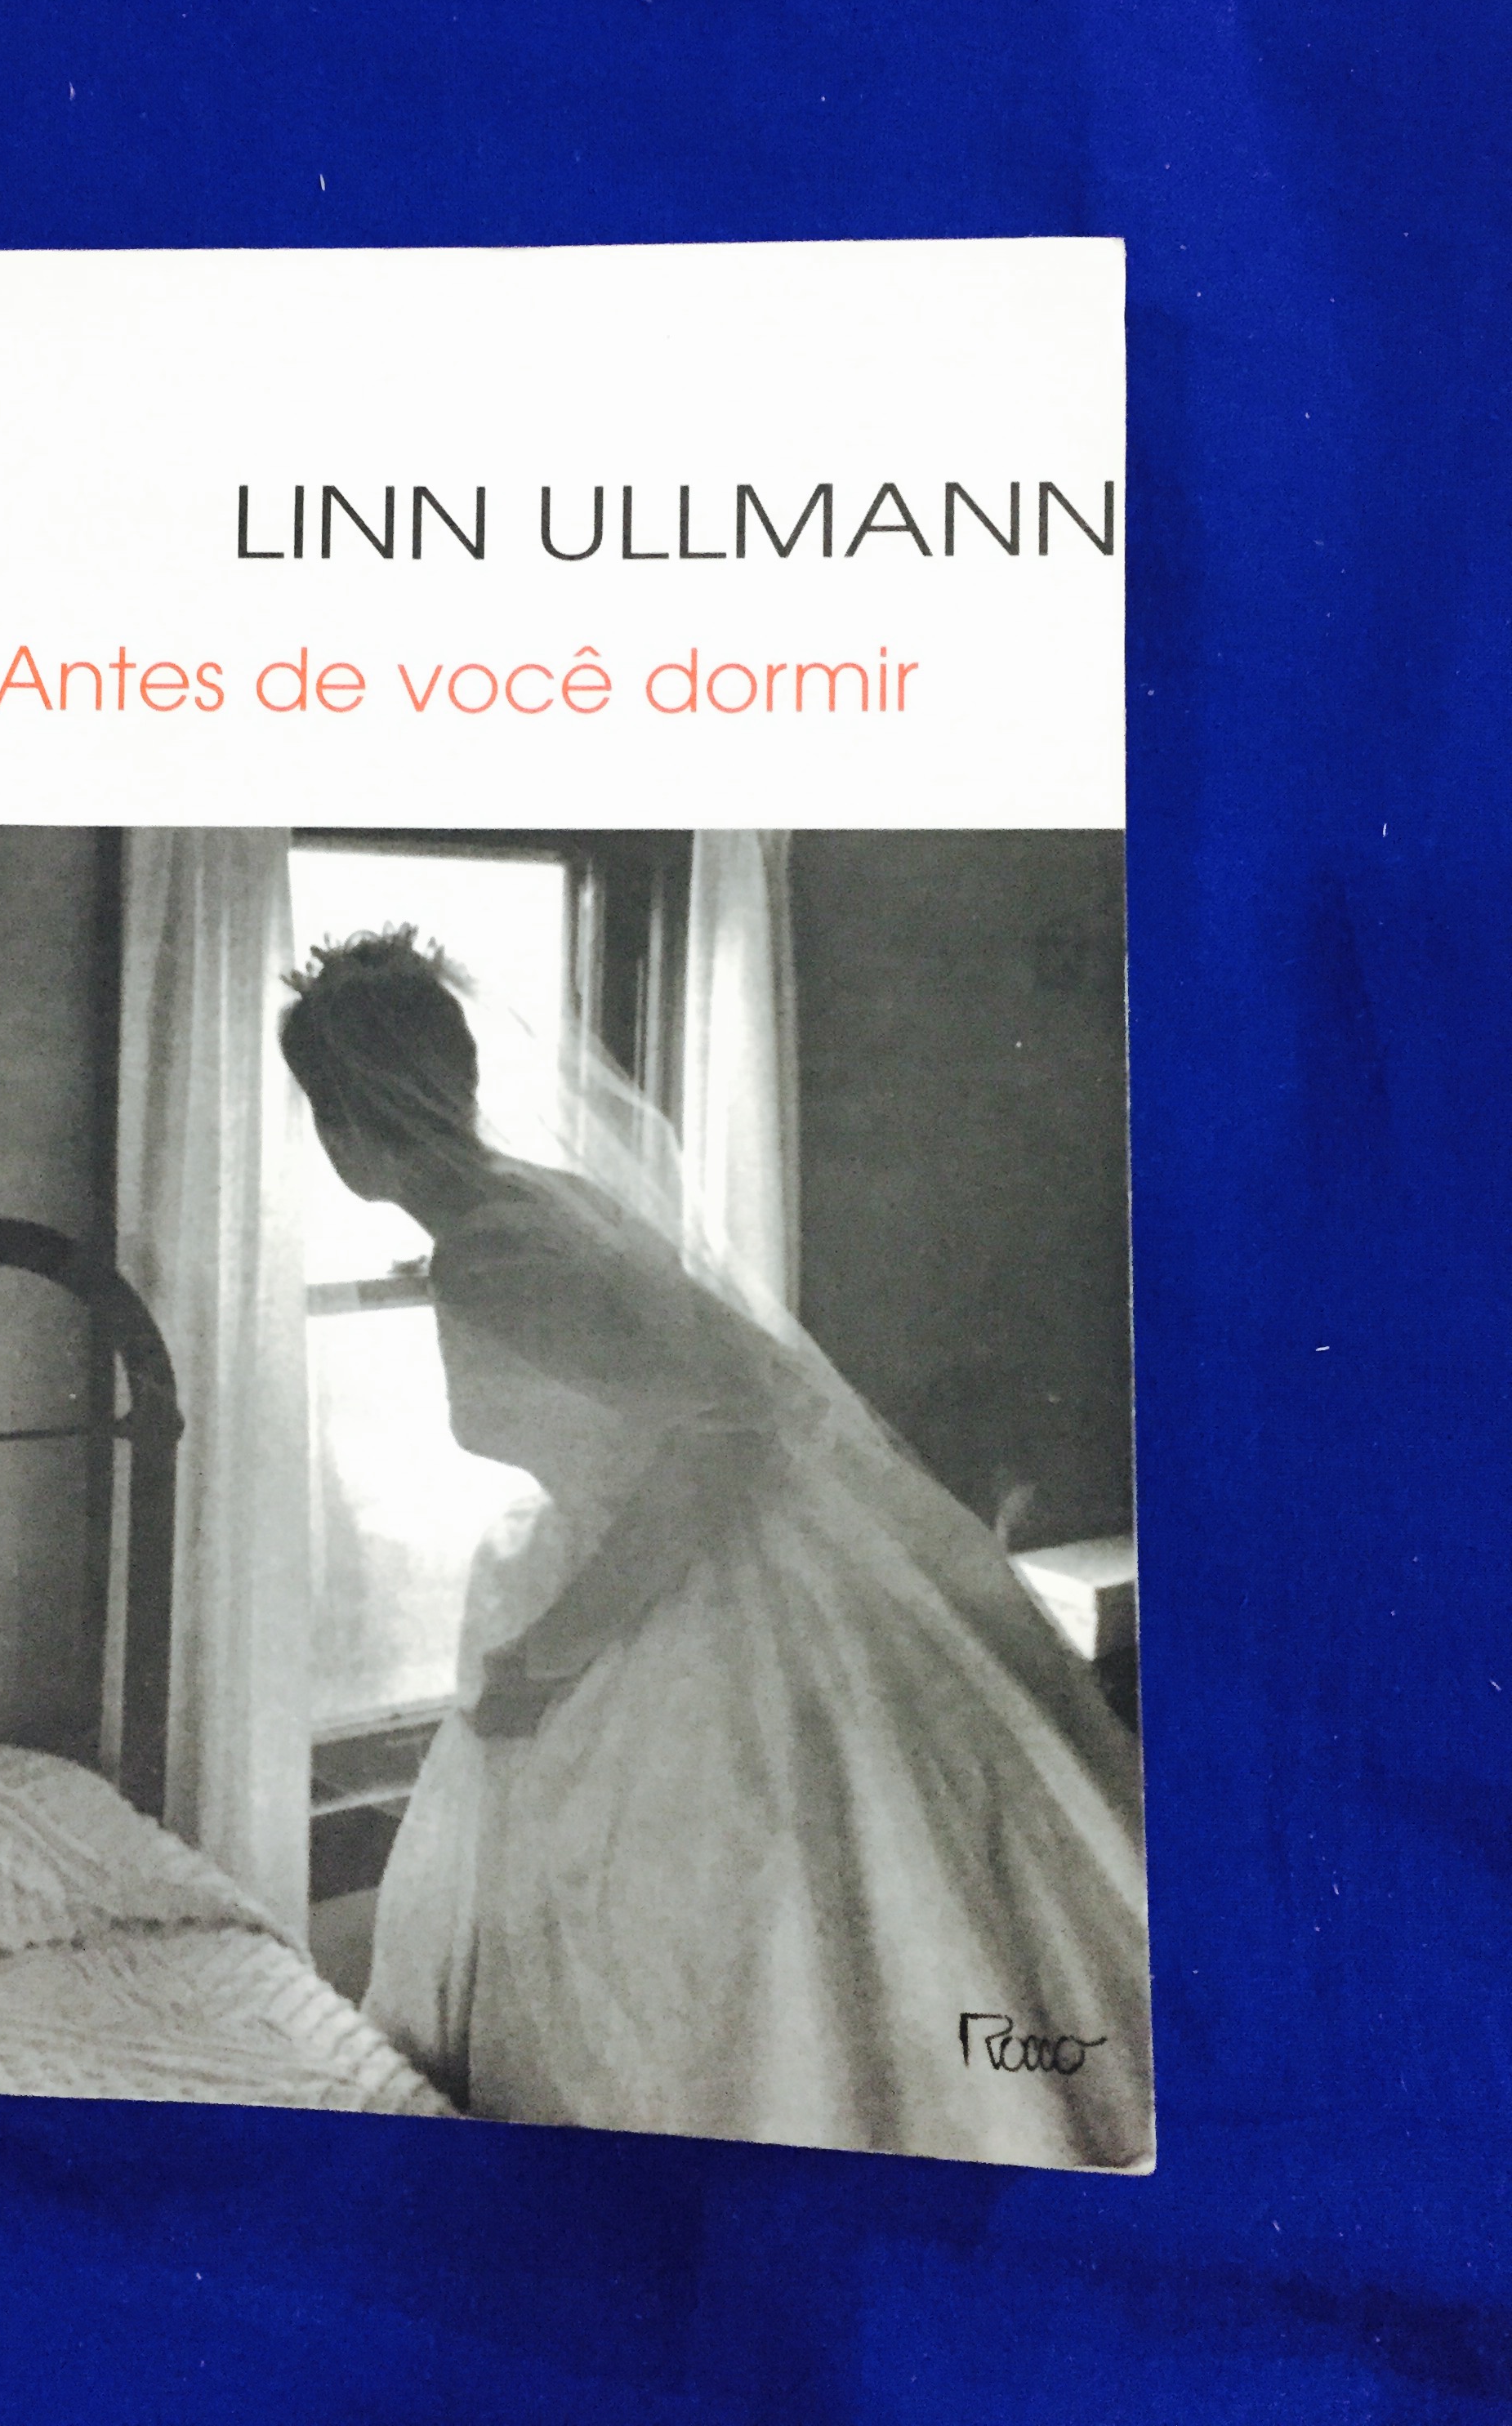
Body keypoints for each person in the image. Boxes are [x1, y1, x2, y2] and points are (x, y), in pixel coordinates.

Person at [279, 927, 1153, 2168]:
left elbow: (714, 1441)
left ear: (348, 1127)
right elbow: (693, 1378)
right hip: (698, 1545)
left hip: (669, 1576)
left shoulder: (495, 1251)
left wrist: (556, 1653)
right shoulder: (538, 1199)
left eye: (326, 1116)